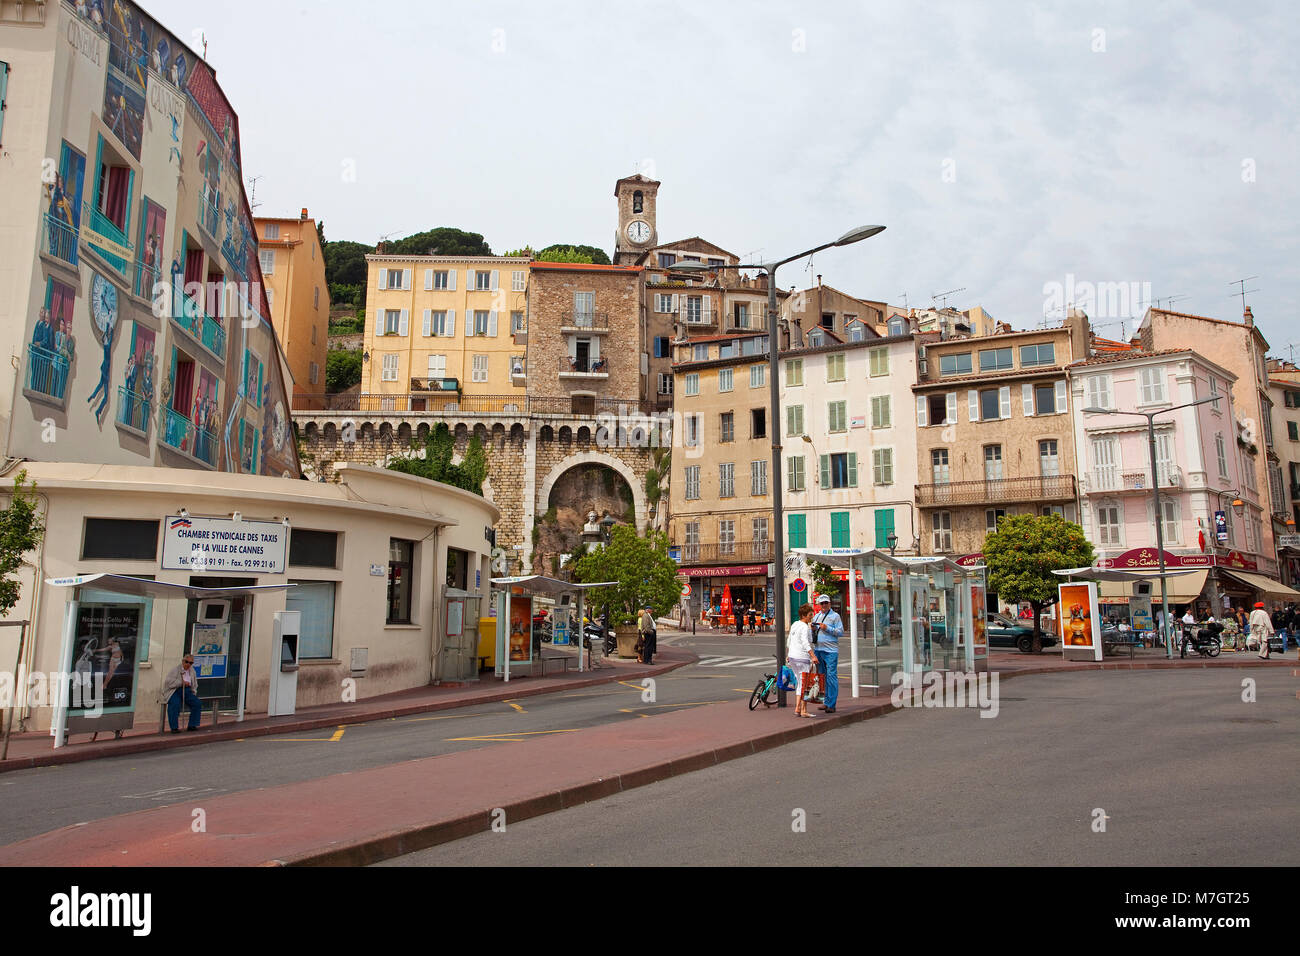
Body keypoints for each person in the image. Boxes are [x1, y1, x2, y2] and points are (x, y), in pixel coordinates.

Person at [812, 594, 844, 713]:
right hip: (819, 649)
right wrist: (813, 630)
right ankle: (825, 701)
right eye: (822, 603)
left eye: (826, 603)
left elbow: (840, 632)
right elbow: (813, 633)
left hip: (830, 651)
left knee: (831, 676)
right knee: (821, 677)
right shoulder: (816, 617)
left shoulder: (835, 616)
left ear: (830, 604)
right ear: (819, 605)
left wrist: (827, 628)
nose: (824, 605)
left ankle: (832, 704)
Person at [787, 603, 817, 718]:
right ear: (804, 615)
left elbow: (790, 639)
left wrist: (788, 653)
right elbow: (806, 642)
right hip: (802, 658)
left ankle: (797, 708)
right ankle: (803, 710)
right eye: (810, 615)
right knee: (805, 684)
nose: (811, 617)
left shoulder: (795, 624)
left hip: (793, 657)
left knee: (800, 683)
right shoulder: (804, 627)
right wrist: (813, 656)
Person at [162, 654, 202, 733]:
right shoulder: (175, 670)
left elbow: (194, 684)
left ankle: (192, 725)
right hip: (174, 690)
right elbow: (168, 683)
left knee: (197, 703)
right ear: (183, 661)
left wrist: (193, 691)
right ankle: (174, 727)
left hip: (187, 690)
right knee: (175, 704)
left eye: (191, 663)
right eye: (187, 662)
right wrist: (181, 683)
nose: (188, 664)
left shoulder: (192, 671)